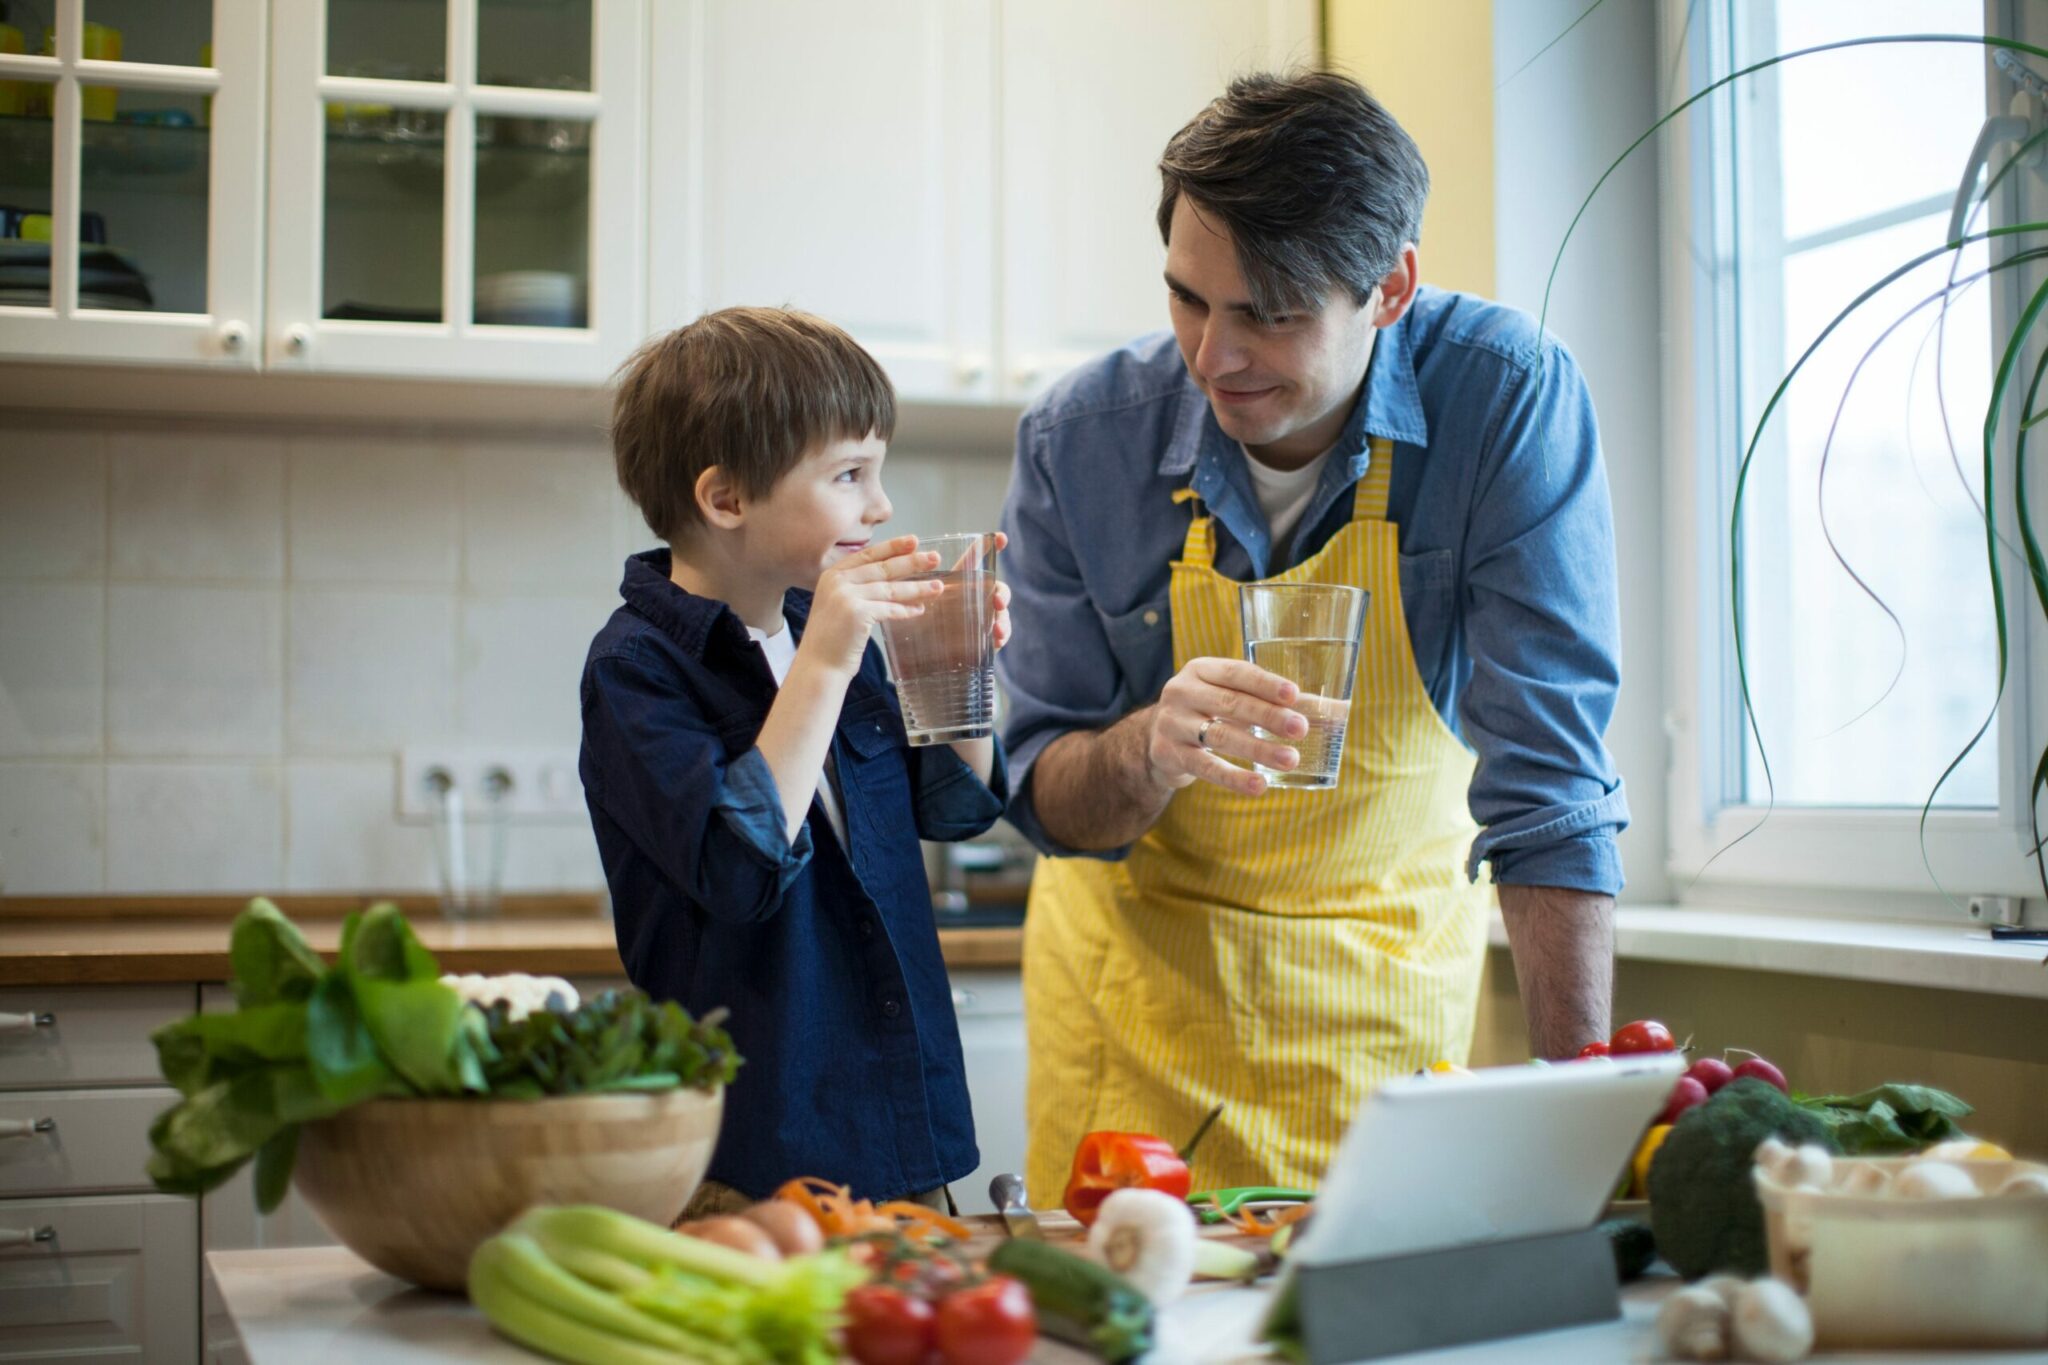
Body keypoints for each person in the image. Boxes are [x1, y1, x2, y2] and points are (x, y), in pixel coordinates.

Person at [998, 71, 1627, 1199]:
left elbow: (1550, 792)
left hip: (1379, 1028)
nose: (1211, 356)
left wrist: (1576, 1136)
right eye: (1189, 298)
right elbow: (1043, 797)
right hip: (1132, 1035)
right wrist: (1145, 749)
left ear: (1389, 288)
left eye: (1268, 313)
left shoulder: (1502, 400)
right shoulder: (1077, 440)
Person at [581, 306, 1011, 1214]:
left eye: (877, 471)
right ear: (726, 499)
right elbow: (738, 867)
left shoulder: (823, 628)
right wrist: (826, 663)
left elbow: (957, 807)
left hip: (898, 1133)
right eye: (849, 473)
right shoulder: (638, 670)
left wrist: (961, 665)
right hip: (747, 1162)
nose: (881, 505)